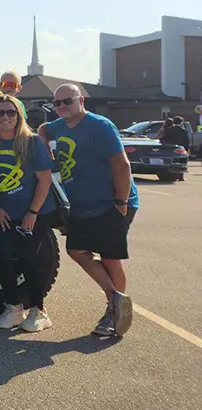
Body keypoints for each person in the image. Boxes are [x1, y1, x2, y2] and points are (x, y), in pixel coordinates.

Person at [40, 83, 139, 337]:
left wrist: (121, 203)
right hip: (82, 205)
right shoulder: (59, 125)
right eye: (57, 103)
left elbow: (122, 165)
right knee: (76, 250)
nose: (62, 106)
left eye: (68, 101)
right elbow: (43, 129)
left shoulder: (100, 126)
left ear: (81, 100)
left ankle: (114, 313)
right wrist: (44, 147)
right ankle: (116, 299)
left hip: (112, 203)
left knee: (109, 258)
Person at [0, 94, 57, 333]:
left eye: (11, 112)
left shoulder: (32, 142)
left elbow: (45, 180)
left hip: (35, 212)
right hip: (5, 213)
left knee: (28, 257)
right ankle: (13, 308)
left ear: (19, 116)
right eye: (0, 112)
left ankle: (39, 311)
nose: (5, 117)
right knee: (2, 256)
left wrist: (32, 212)